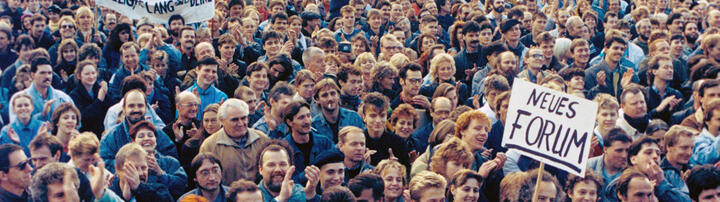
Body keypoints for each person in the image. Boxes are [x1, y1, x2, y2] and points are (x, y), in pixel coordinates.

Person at [100, 89, 177, 173]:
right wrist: (129, 164)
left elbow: (172, 158)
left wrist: (156, 160)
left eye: (140, 105)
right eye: (131, 106)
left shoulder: (157, 133)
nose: (136, 109)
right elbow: (102, 162)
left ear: (146, 108)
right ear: (124, 108)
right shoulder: (112, 136)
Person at [199, 99, 270, 184]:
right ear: (222, 120)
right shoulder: (210, 146)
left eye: (243, 118)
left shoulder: (262, 140)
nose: (240, 123)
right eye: (234, 120)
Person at [128, 120, 188, 198]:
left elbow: (182, 186)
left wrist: (161, 173)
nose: (146, 139)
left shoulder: (170, 162)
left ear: (156, 139)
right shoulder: (128, 163)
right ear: (133, 141)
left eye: (150, 135)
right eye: (141, 136)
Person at [8, 56, 74, 123]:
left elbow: (77, 122)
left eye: (49, 73)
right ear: (32, 75)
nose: (47, 76)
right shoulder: (18, 98)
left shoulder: (63, 98)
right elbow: (15, 125)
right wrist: (42, 115)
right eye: (42, 73)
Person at [282, 100, 334, 183]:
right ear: (290, 122)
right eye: (301, 117)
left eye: (308, 116)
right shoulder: (283, 148)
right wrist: (308, 174)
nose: (307, 121)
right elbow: (285, 180)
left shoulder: (325, 142)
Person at [109, 143, 173, 201]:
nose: (140, 173)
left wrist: (139, 188)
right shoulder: (107, 196)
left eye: (143, 168)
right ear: (118, 171)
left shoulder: (160, 191)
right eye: (134, 168)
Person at [360, 92, 410, 166]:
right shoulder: (359, 142)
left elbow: (406, 173)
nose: (378, 120)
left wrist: (396, 167)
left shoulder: (398, 142)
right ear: (364, 117)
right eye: (373, 116)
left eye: (382, 115)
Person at [69, 60, 110, 136]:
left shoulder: (100, 89)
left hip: (102, 132)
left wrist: (106, 91)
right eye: (87, 74)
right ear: (79, 76)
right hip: (85, 134)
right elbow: (82, 118)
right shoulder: (74, 95)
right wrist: (99, 100)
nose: (91, 76)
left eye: (93, 73)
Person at [662, 125, 697, 194]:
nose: (689, 153)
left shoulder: (692, 170)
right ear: (669, 147)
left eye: (692, 148)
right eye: (684, 148)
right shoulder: (661, 176)